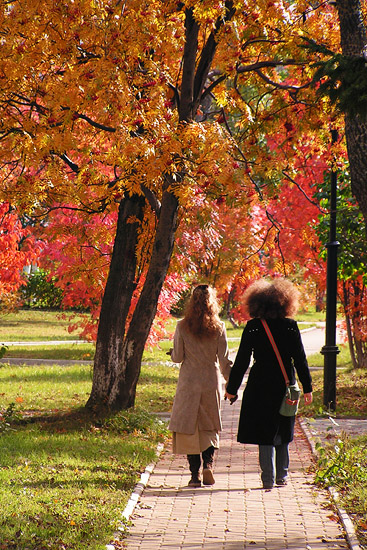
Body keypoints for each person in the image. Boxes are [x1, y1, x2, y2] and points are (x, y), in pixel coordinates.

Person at [224, 278, 313, 490]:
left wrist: (231, 389)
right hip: (285, 383)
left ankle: (267, 479)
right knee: (284, 425)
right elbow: (300, 358)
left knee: (265, 430)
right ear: (285, 303)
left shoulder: (253, 327)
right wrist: (307, 387)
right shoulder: (291, 327)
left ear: (257, 304)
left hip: (260, 383)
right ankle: (282, 475)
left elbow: (242, 360)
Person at [168, 284, 232, 487]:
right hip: (210, 381)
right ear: (212, 302)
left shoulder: (181, 325)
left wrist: (171, 352)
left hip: (189, 381)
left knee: (189, 427)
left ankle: (194, 475)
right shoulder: (219, 327)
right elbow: (224, 359)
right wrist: (230, 383)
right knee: (208, 425)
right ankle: (209, 466)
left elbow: (178, 357)